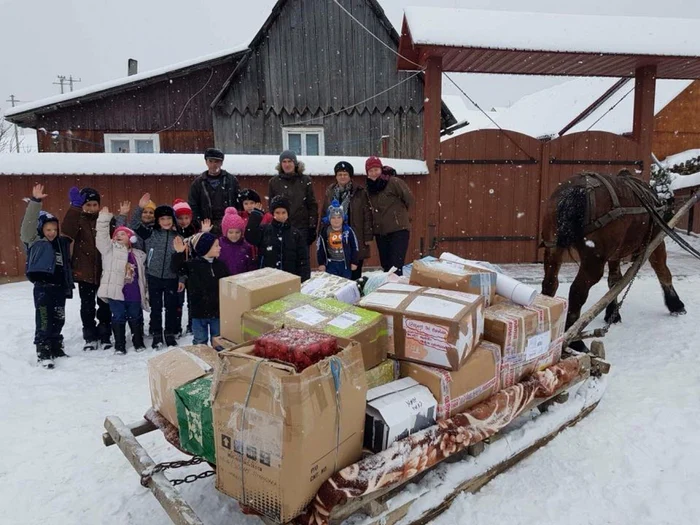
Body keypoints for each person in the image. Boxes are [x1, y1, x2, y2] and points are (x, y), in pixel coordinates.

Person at [20, 184, 74, 369]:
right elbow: (28, 225)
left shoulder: (60, 243)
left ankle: (56, 345)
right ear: (41, 230)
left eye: (54, 229)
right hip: (43, 288)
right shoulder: (35, 241)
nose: (51, 232)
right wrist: (36, 202)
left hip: (59, 287)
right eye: (48, 229)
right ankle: (43, 350)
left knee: (59, 318)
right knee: (44, 318)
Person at [62, 186, 112, 350]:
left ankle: (105, 334)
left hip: (105, 270)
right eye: (87, 204)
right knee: (87, 305)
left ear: (99, 205)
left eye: (94, 204)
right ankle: (89, 335)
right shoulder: (78, 219)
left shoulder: (105, 220)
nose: (91, 208)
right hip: (85, 271)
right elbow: (67, 231)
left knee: (105, 304)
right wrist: (75, 208)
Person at [96, 208, 148, 355]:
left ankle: (138, 341)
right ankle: (120, 344)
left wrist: (145, 290)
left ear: (131, 239)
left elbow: (142, 275)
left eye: (123, 234)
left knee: (135, 316)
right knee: (118, 316)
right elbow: (100, 238)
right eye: (116, 234)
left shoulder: (138, 255)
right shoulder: (109, 251)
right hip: (116, 292)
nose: (119, 235)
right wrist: (104, 219)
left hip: (133, 293)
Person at [133, 204, 183, 349]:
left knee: (171, 307)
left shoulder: (178, 237)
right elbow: (135, 224)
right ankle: (156, 334)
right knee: (156, 308)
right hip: (154, 276)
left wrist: (181, 279)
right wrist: (140, 207)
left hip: (171, 277)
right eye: (162, 219)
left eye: (169, 218)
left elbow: (183, 261)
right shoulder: (150, 233)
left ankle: (169, 334)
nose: (166, 221)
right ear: (157, 220)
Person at [172, 233, 229, 346]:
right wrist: (179, 253)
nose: (220, 247)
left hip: (217, 312)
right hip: (198, 312)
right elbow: (177, 269)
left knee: (219, 341)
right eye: (216, 246)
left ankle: (219, 360)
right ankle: (202, 360)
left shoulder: (221, 265)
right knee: (200, 341)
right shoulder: (192, 265)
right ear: (206, 248)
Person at [322, 161, 373, 280]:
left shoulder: (359, 192)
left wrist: (368, 236)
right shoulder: (330, 192)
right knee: (336, 271)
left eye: (345, 174)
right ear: (336, 176)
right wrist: (322, 232)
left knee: (354, 268)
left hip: (354, 235)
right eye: (340, 174)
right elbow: (324, 213)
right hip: (334, 236)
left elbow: (367, 215)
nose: (342, 177)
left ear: (350, 176)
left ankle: (355, 293)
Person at [365, 157, 414, 276]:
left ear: (381, 169)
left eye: (376, 169)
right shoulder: (369, 188)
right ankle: (388, 291)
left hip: (398, 230)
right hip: (381, 233)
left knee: (396, 267)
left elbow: (409, 199)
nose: (373, 173)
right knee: (386, 266)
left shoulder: (393, 182)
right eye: (370, 171)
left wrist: (399, 215)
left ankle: (396, 292)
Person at [245, 195, 310, 281]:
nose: (281, 216)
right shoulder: (265, 230)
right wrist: (256, 215)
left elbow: (303, 260)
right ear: (273, 213)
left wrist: (303, 279)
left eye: (283, 212)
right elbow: (250, 236)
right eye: (277, 213)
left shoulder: (296, 234)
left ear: (288, 213)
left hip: (289, 279)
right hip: (268, 279)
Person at [268, 150, 318, 247]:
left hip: (301, 228)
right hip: (281, 228)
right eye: (284, 162)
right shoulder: (274, 182)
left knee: (302, 259)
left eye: (290, 161)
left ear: (295, 163)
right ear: (281, 164)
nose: (287, 165)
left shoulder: (305, 181)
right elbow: (271, 206)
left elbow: (312, 205)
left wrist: (312, 227)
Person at [188, 148, 241, 235]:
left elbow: (238, 202)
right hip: (207, 225)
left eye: (217, 161)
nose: (213, 164)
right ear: (206, 162)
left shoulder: (231, 180)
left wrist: (235, 219)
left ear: (221, 163)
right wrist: (199, 222)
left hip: (228, 225)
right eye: (211, 161)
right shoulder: (198, 182)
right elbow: (193, 205)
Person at [316, 200, 360, 279]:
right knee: (332, 283)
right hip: (331, 264)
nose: (336, 220)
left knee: (345, 283)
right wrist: (321, 263)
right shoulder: (325, 231)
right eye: (333, 217)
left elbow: (355, 246)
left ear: (343, 218)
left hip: (345, 264)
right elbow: (320, 248)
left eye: (339, 217)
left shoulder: (348, 231)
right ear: (329, 219)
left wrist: (354, 261)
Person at [219, 207, 256, 275]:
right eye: (230, 232)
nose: (234, 235)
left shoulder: (246, 246)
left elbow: (250, 267)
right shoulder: (218, 245)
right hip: (224, 281)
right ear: (225, 232)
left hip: (242, 281)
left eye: (237, 232)